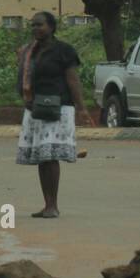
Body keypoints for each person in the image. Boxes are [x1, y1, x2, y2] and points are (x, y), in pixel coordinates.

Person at [15, 12, 93, 218]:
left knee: (50, 157)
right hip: (35, 108)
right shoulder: (30, 51)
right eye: (32, 25)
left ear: (51, 27)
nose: (35, 29)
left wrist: (82, 108)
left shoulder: (64, 51)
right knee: (42, 158)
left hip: (58, 108)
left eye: (39, 25)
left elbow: (73, 80)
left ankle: (53, 205)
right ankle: (47, 203)